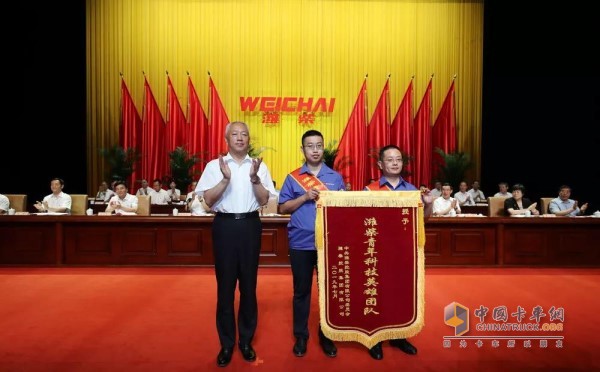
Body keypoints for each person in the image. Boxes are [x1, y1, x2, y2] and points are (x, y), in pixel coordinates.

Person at [195, 121, 277, 367]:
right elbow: (207, 201)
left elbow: (264, 200)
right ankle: (227, 343)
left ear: (248, 140)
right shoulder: (214, 166)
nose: (240, 138)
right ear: (227, 139)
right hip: (225, 226)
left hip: (251, 226)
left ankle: (246, 341)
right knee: (225, 287)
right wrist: (224, 180)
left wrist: (254, 179)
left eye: (244, 134)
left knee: (249, 287)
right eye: (235, 134)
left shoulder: (258, 166)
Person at [278, 130, 345, 358]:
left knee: (328, 292)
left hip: (329, 243)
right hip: (300, 244)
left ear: (323, 148)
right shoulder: (293, 177)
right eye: (310, 146)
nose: (315, 149)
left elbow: (345, 210)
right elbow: (282, 208)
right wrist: (305, 197)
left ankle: (326, 335)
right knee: (301, 292)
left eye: (318, 145)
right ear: (303, 150)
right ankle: (301, 336)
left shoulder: (335, 178)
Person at [363, 145, 429, 360]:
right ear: (380, 164)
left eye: (398, 159)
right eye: (389, 159)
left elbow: (423, 220)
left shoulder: (411, 190)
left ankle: (399, 336)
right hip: (377, 253)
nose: (394, 163)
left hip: (404, 253)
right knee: (377, 294)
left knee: (401, 295)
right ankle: (376, 338)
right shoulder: (369, 191)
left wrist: (427, 205)